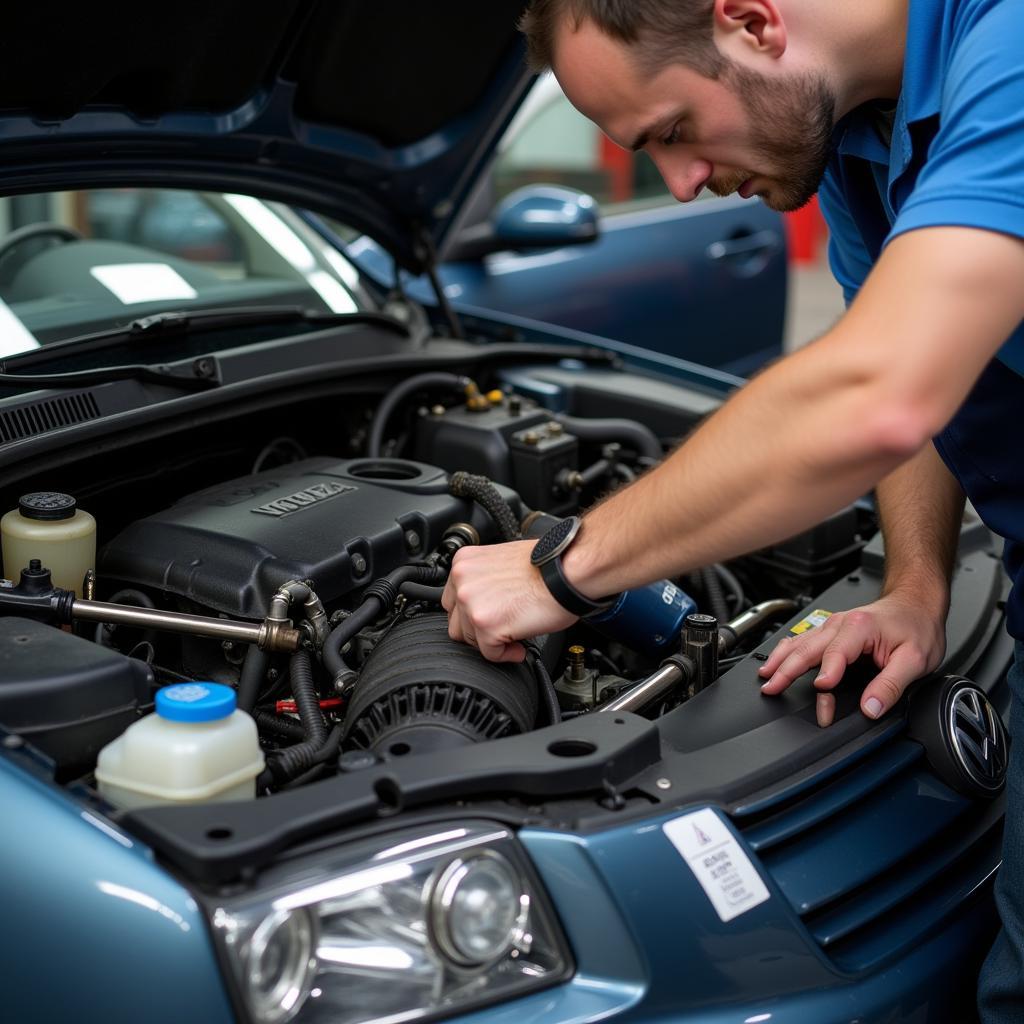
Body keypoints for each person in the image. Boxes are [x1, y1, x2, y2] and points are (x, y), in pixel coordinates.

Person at [441, 0, 1024, 1017]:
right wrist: (917, 587)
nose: (681, 181)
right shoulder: (857, 133)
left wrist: (561, 569)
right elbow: (933, 368)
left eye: (669, 131)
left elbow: (877, 394)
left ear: (751, 20)